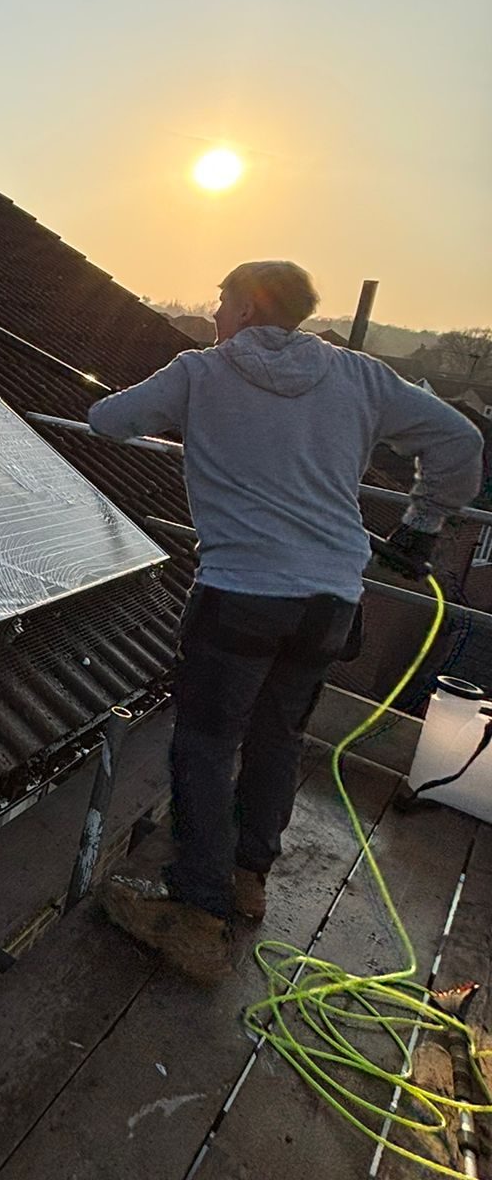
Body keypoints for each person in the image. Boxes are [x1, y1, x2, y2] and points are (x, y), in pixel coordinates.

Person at [88, 260, 485, 984]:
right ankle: (247, 878)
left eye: (221, 301)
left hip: (241, 594)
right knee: (279, 735)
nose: (215, 315)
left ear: (245, 308)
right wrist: (424, 523)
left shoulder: (200, 371)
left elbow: (108, 421)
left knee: (205, 747)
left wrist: (184, 409)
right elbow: (461, 443)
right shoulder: (360, 376)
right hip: (330, 602)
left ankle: (197, 911)